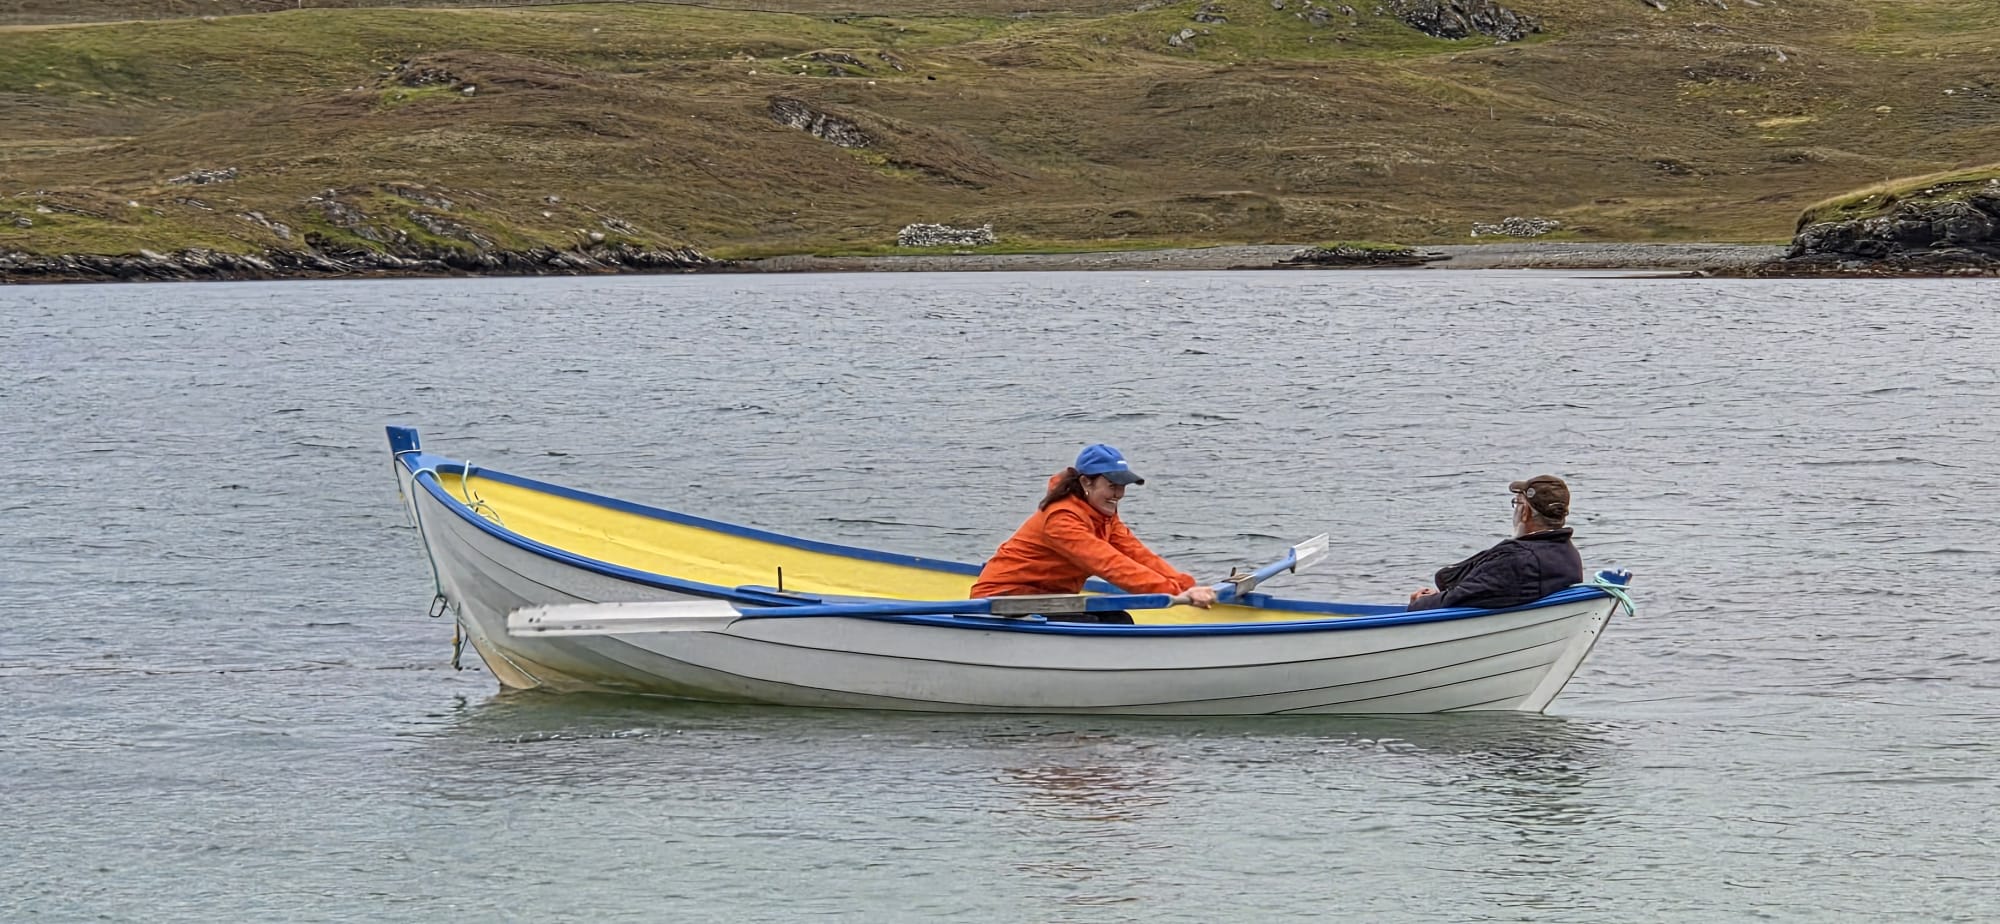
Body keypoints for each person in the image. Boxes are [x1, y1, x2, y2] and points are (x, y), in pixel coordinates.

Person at [970, 443, 1219, 623]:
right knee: (1096, 624)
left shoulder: (1103, 514)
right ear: (1086, 482)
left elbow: (1136, 554)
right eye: (1111, 486)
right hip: (1004, 599)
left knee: (1118, 620)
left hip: (1050, 598)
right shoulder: (1061, 519)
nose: (1118, 495)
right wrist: (1174, 593)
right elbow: (1108, 563)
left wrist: (1186, 585)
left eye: (1122, 487)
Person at [1407, 474, 1582, 612]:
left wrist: (1421, 602)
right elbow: (1478, 593)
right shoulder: (1568, 554)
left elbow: (1460, 598)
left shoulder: (1517, 559)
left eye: (1517, 503)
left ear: (1525, 512)